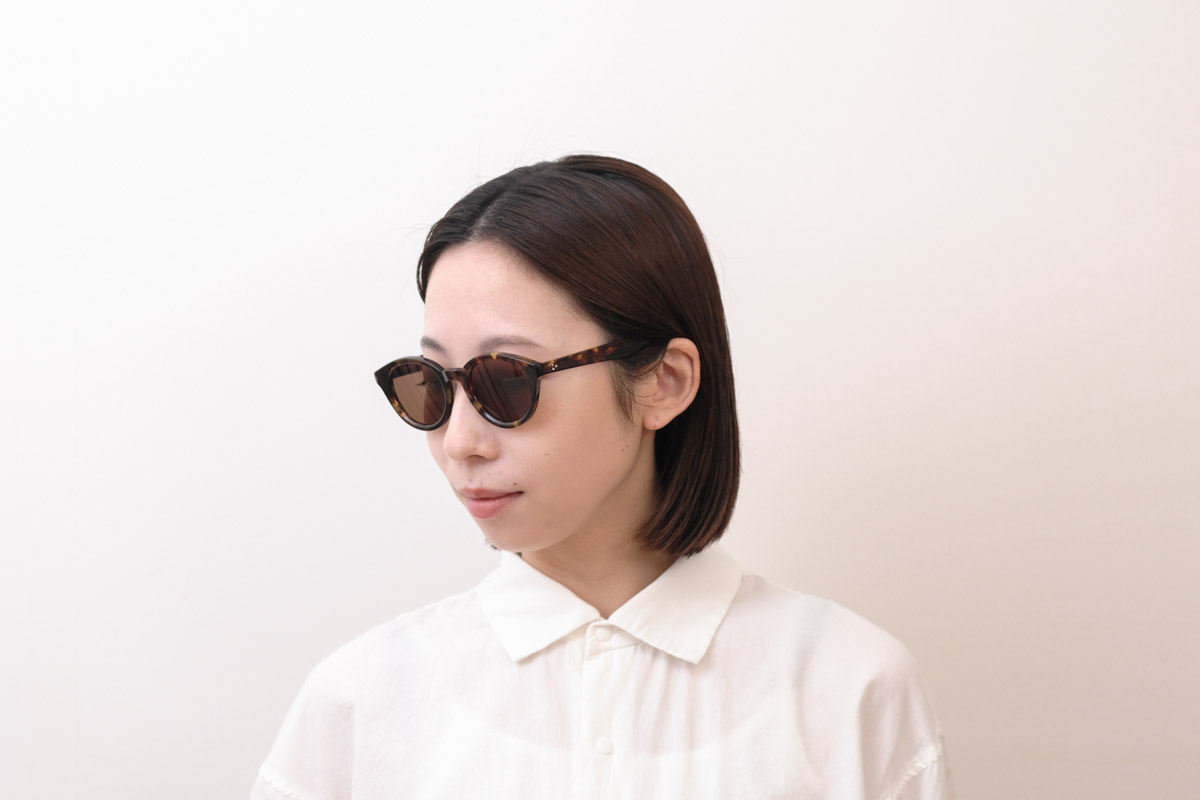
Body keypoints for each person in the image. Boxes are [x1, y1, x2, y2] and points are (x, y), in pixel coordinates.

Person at [250, 156, 951, 799]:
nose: (459, 442)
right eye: (430, 383)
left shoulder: (851, 689)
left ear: (664, 382)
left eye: (505, 380)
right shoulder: (361, 707)